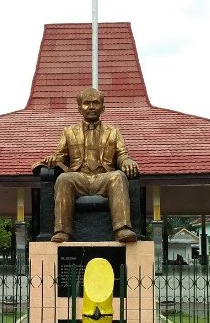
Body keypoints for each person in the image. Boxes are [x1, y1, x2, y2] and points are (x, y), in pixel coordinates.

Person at [42, 87, 139, 243]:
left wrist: (126, 160)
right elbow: (61, 156)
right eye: (87, 103)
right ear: (79, 108)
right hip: (79, 178)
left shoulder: (113, 132)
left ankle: (122, 229)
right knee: (63, 179)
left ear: (103, 107)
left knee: (119, 176)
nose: (91, 107)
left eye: (96, 103)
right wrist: (53, 159)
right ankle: (62, 231)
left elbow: (121, 154)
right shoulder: (68, 132)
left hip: (103, 178)